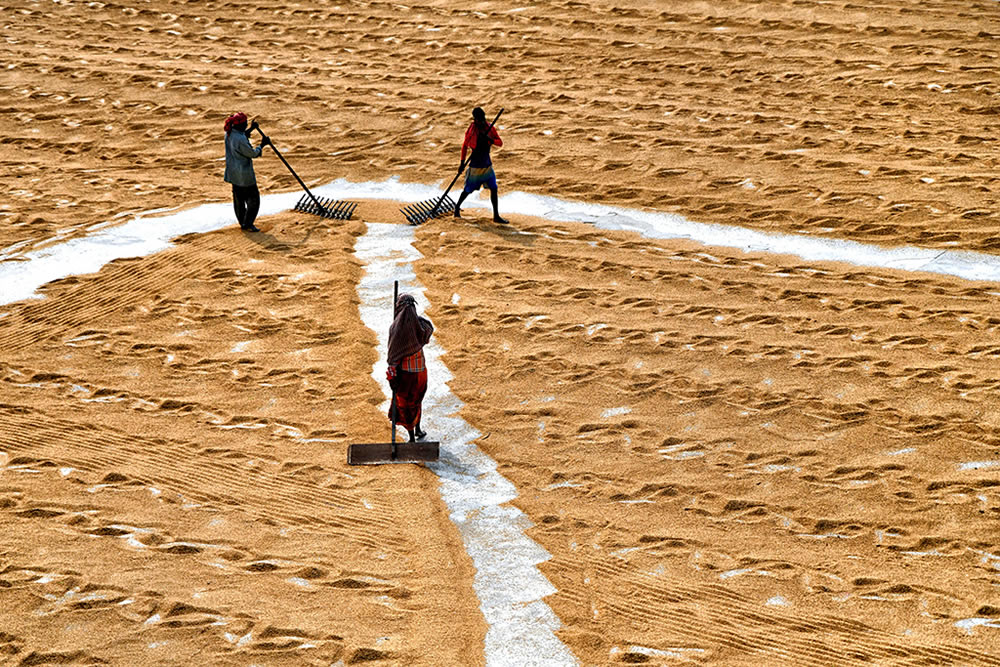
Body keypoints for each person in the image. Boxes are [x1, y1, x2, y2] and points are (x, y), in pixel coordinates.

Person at [386, 293, 434, 442]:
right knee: (417, 402)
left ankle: (412, 437)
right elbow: (429, 329)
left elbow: (393, 357)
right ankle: (418, 430)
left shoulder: (396, 329)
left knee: (406, 406)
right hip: (421, 373)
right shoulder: (419, 326)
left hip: (407, 376)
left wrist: (392, 376)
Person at [453, 107, 508, 224]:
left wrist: (490, 139)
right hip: (476, 166)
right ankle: (457, 208)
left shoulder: (489, 127)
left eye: (483, 119)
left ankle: (496, 216)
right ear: (475, 120)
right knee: (468, 190)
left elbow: (500, 143)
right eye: (479, 120)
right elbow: (465, 146)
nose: (482, 122)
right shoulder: (472, 131)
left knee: (494, 188)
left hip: (487, 165)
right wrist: (462, 163)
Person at [223, 112, 270, 232]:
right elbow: (252, 153)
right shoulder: (240, 139)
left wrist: (252, 129)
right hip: (244, 175)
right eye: (245, 124)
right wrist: (262, 145)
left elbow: (242, 135)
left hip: (234, 174)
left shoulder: (229, 133)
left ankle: (243, 222)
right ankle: (248, 223)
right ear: (240, 125)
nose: (245, 125)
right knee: (253, 199)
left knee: (238, 199)